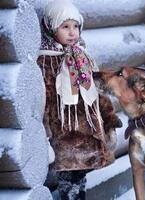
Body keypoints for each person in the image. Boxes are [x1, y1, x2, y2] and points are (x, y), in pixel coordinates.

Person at [36, 1, 122, 199]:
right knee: (68, 171)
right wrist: (46, 127)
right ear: (51, 27)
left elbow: (94, 88)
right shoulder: (47, 60)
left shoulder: (81, 56)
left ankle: (79, 193)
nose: (72, 32)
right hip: (64, 129)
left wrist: (107, 114)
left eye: (76, 26)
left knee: (81, 172)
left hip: (86, 129)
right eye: (65, 27)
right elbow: (45, 95)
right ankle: (70, 194)